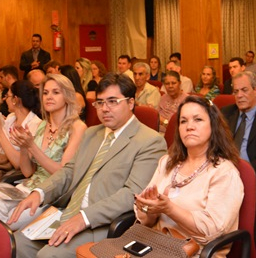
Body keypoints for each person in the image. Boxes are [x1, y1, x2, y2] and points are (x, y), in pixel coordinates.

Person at [9, 73, 167, 258]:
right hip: (66, 212)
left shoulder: (149, 141)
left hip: (99, 223)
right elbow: (69, 171)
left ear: (131, 103)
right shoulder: (92, 133)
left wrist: (84, 218)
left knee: (48, 255)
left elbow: (131, 194)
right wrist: (40, 192)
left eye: (113, 101)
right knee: (17, 243)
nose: (105, 109)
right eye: (100, 103)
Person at [134, 95, 244, 258]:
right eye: (183, 121)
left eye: (198, 119)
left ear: (213, 125)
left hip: (198, 253)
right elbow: (147, 221)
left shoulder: (224, 172)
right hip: (155, 246)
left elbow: (213, 232)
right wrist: (148, 208)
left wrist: (169, 209)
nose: (189, 126)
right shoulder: (167, 162)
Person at [0, 74, 87, 229]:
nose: (49, 97)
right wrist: (24, 147)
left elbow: (63, 174)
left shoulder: (77, 127)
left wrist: (32, 146)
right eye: (45, 93)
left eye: (56, 92)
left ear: (67, 96)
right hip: (27, 187)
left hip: (50, 194)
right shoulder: (43, 125)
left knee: (5, 220)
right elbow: (27, 172)